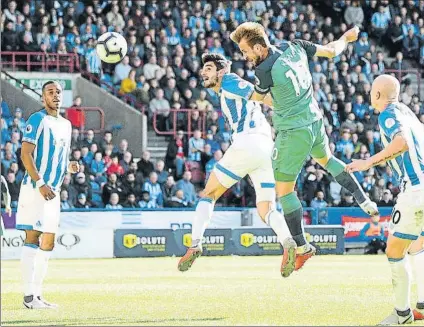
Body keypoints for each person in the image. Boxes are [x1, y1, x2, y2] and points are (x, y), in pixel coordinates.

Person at [230, 23, 379, 271]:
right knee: (328, 160)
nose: (245, 57)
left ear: (258, 47)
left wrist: (233, 86)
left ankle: (302, 247)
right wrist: (347, 37)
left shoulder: (264, 69)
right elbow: (332, 51)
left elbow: (258, 97)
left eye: (246, 51)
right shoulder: (295, 45)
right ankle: (364, 200)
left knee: (285, 192)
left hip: (293, 132)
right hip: (315, 121)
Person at [178, 53, 296, 278]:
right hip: (265, 148)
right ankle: (287, 240)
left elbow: (261, 96)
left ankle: (195, 243)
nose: (204, 72)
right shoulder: (225, 90)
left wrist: (284, 103)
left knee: (208, 194)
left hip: (247, 143)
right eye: (204, 68)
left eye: (209, 68)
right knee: (266, 209)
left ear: (221, 72)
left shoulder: (230, 80)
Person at [346, 75, 424, 325]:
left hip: (415, 189)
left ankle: (402, 314)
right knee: (418, 244)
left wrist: (367, 163)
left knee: (395, 250)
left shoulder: (387, 115)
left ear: (377, 94)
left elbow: (400, 143)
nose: (370, 95)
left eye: (371, 91)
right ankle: (422, 304)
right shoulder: (408, 113)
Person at [16, 81, 80, 309]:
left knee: (49, 242)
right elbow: (26, 155)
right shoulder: (37, 119)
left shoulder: (66, 124)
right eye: (50, 93)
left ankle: (38, 295)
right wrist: (40, 182)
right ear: (43, 98)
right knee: (33, 238)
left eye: (58, 92)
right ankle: (28, 296)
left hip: (54, 191)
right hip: (36, 188)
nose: (55, 96)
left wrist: (69, 166)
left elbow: (60, 158)